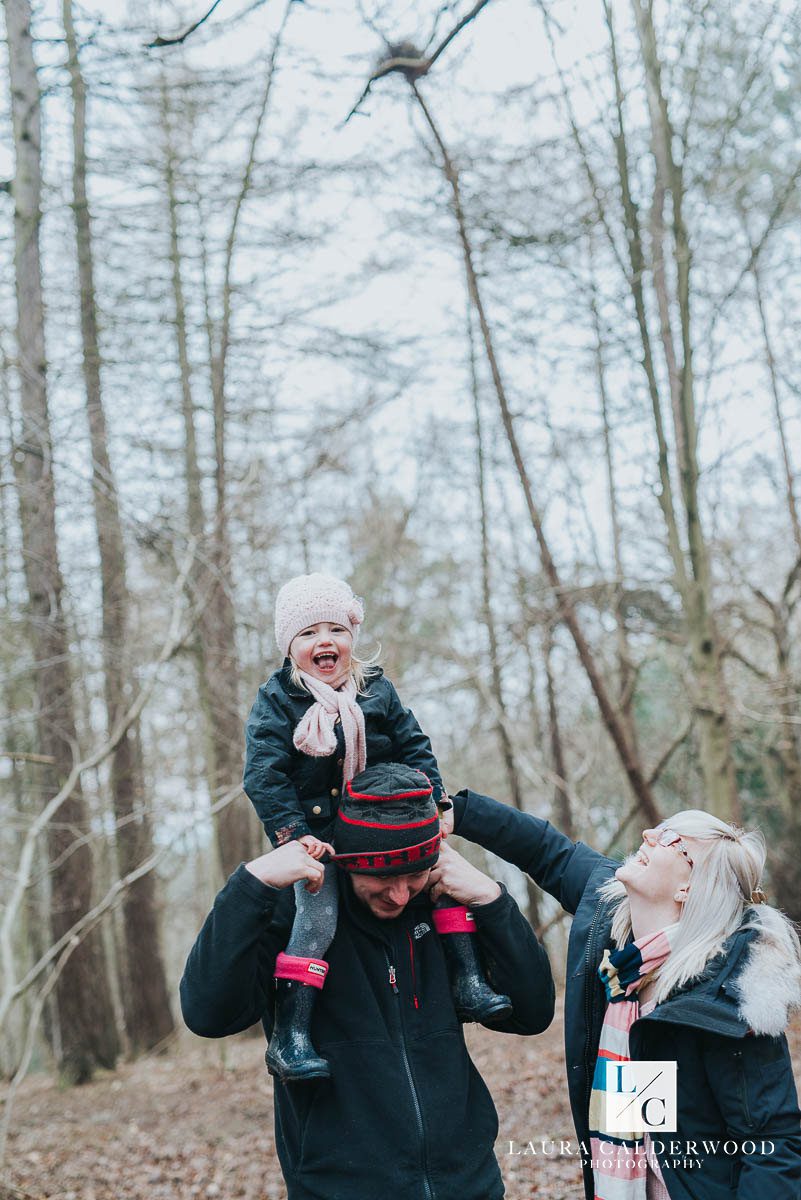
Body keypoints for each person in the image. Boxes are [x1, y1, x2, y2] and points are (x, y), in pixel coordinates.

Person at [180, 764, 555, 1200]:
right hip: (339, 1188)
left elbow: (532, 1013)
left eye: (413, 876)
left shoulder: (442, 909)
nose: (399, 895)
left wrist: (492, 900)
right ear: (347, 860)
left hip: (471, 1185)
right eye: (382, 877)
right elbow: (208, 1014)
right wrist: (250, 887)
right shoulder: (299, 919)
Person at [443, 789, 801, 1199]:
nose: (649, 834)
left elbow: (772, 1145)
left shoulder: (727, 999)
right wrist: (461, 812)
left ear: (690, 888)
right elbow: (546, 850)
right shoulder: (620, 949)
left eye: (672, 840)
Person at [243, 572, 508, 1082]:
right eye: (308, 633)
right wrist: (294, 834)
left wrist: (435, 800)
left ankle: (469, 980)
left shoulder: (376, 689)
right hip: (318, 835)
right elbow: (263, 774)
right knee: (316, 918)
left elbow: (414, 744)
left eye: (336, 630)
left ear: (351, 637)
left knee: (442, 879)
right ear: (290, 646)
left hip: (389, 822)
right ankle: (291, 1034)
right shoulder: (277, 702)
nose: (325, 641)